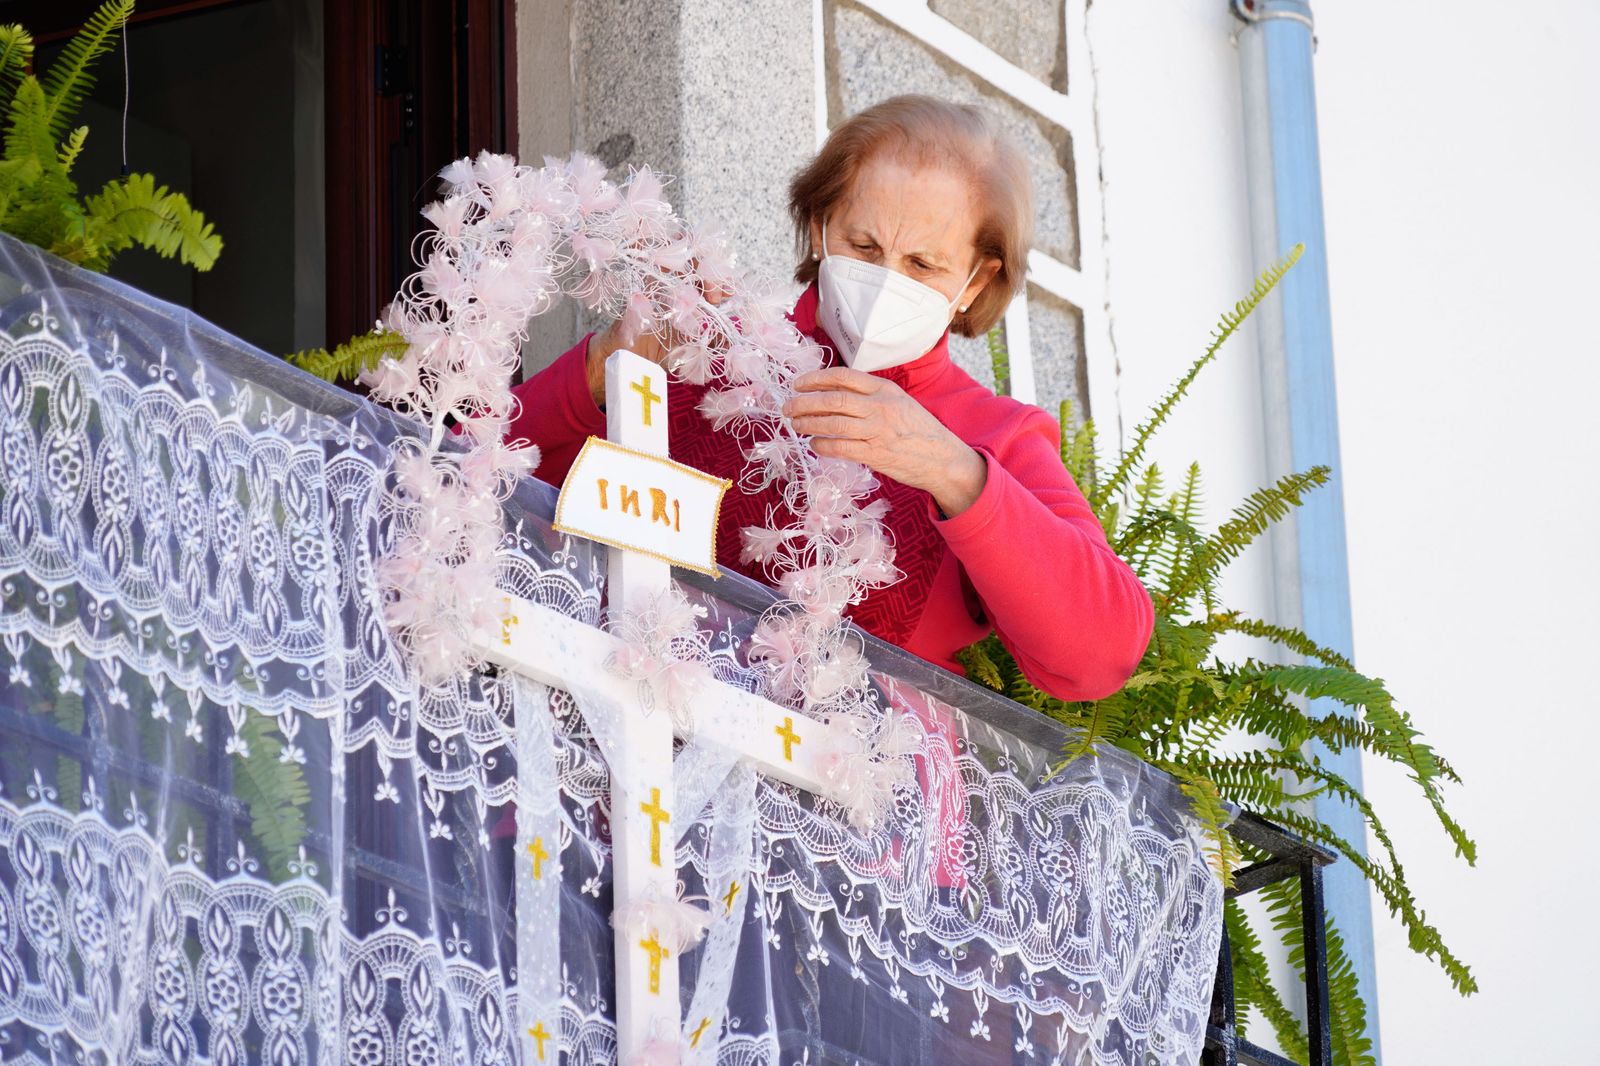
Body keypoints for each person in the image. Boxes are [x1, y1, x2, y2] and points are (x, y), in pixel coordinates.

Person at [507, 94, 1152, 703]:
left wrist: (952, 470)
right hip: (625, 757)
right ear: (820, 226)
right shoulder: (714, 349)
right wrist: (596, 372)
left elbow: (1104, 652)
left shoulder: (993, 435)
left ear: (976, 280)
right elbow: (471, 473)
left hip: (849, 803)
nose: (884, 282)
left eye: (923, 265)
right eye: (864, 246)